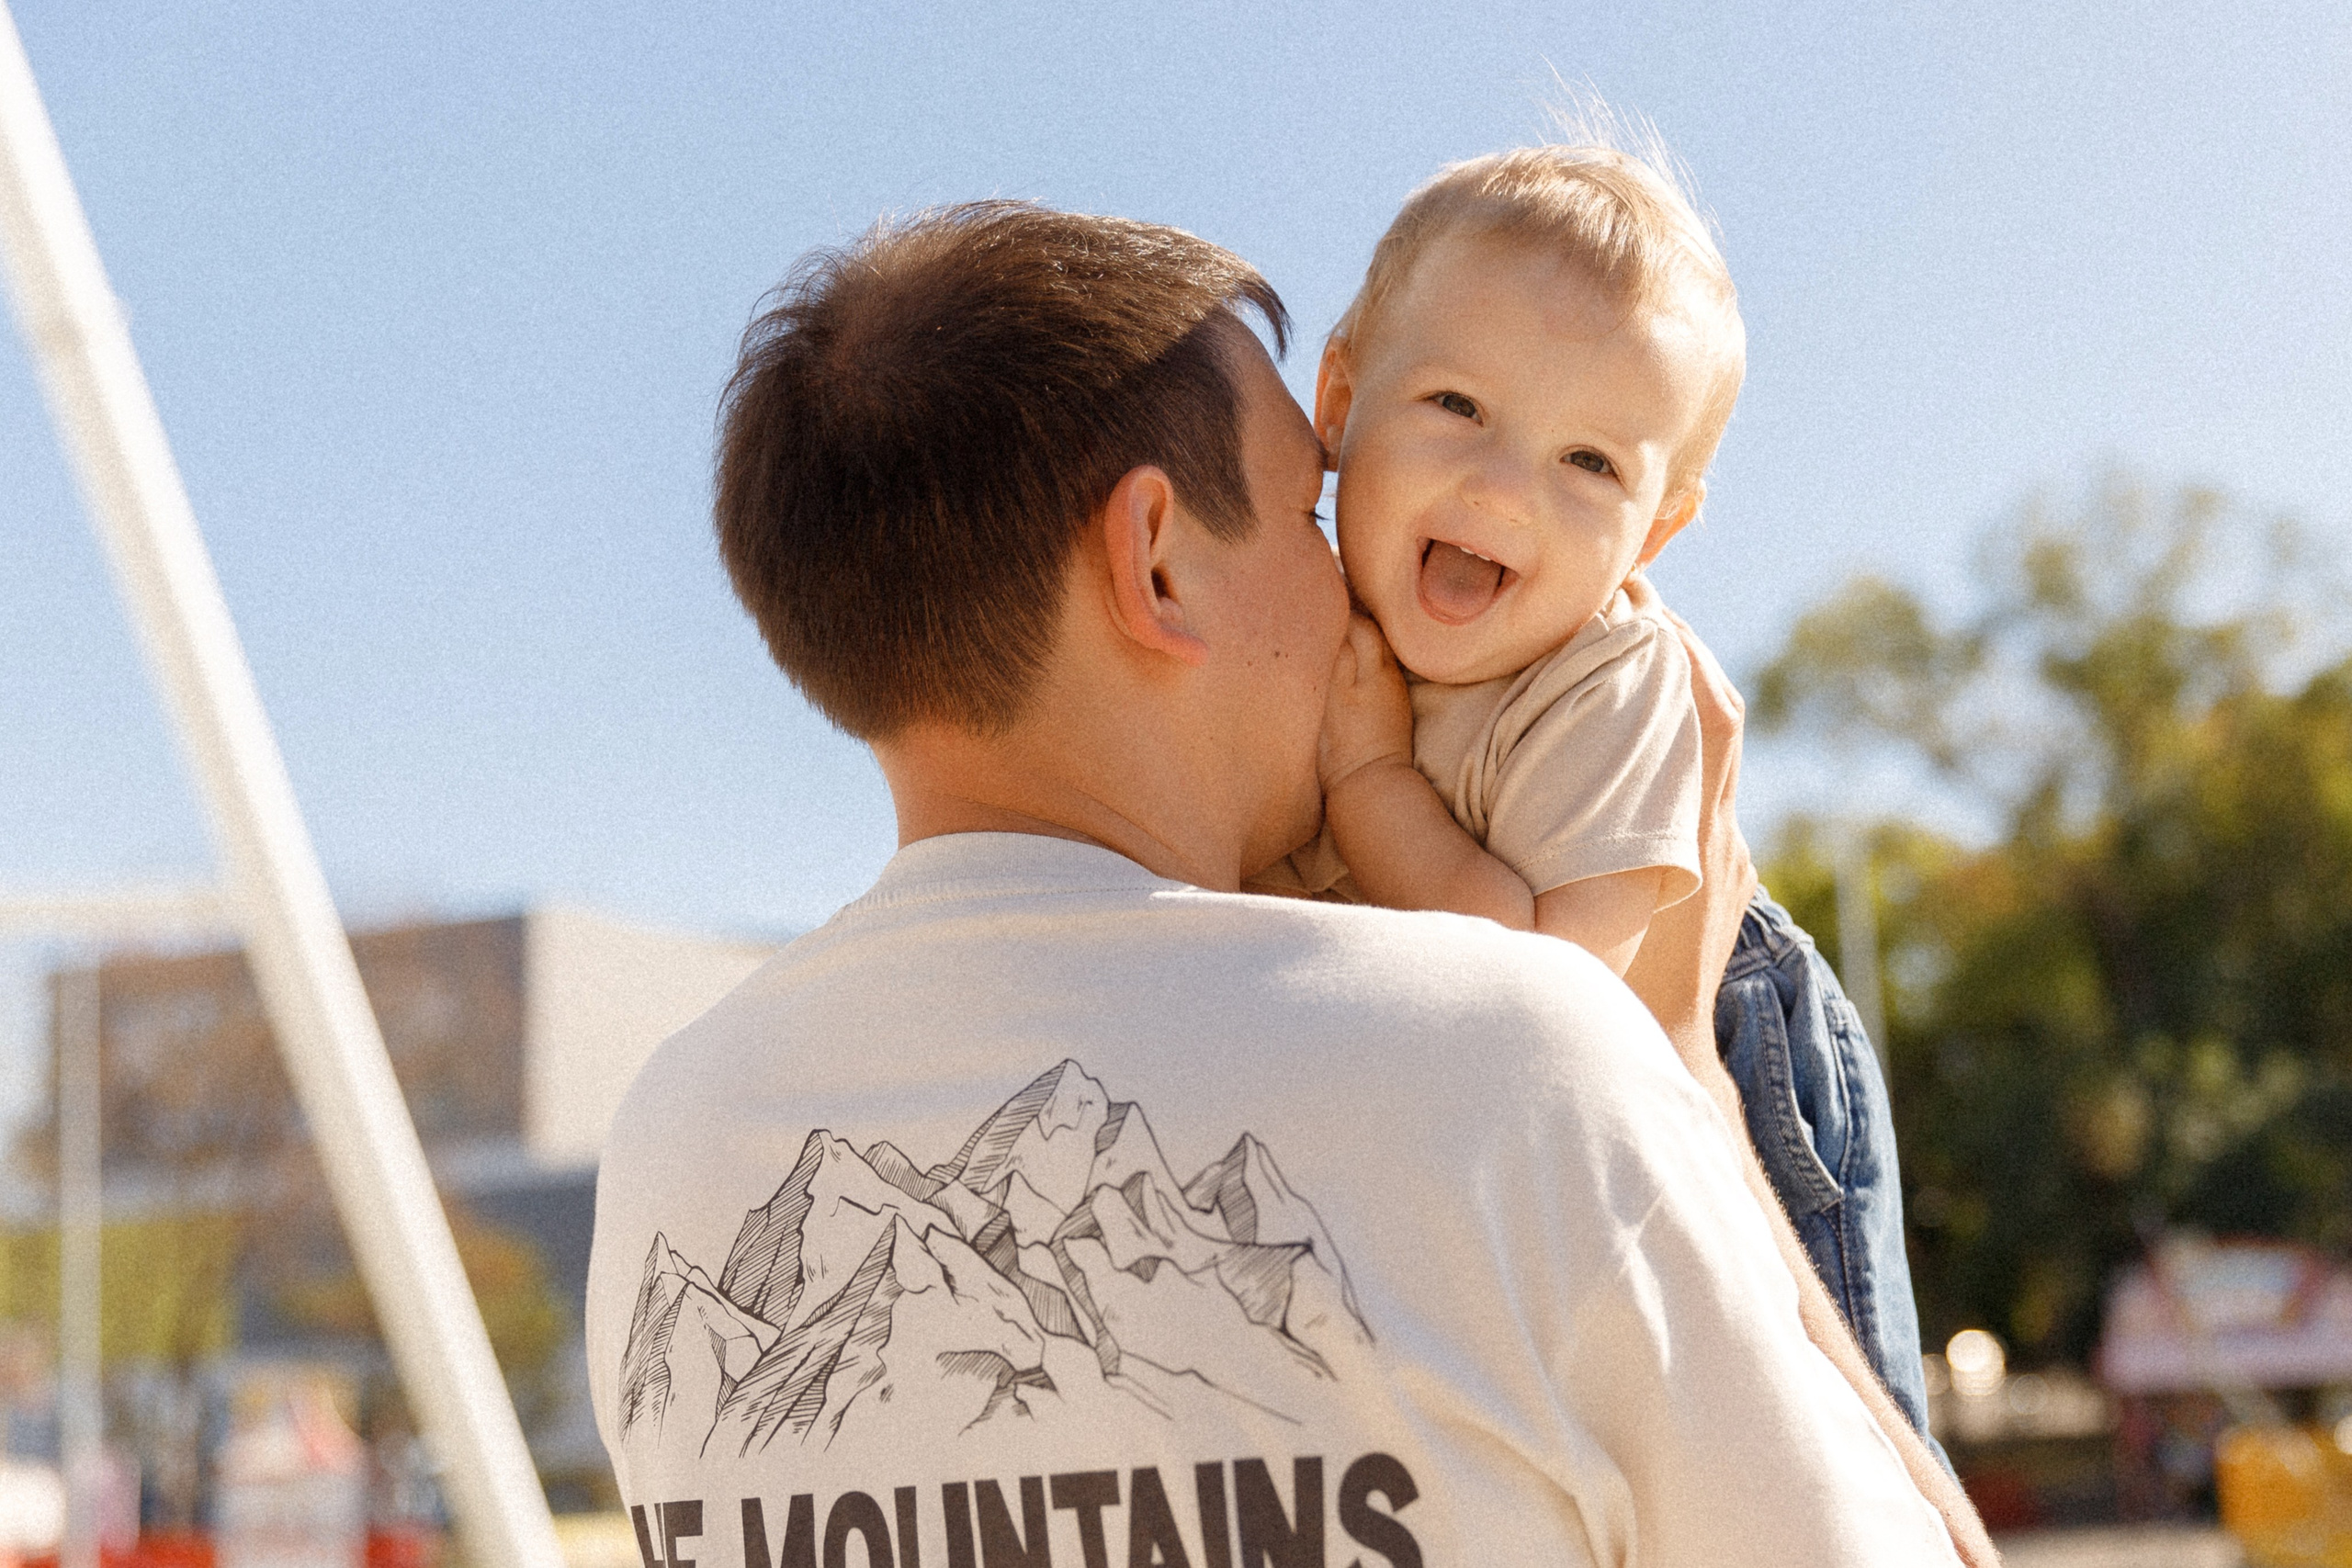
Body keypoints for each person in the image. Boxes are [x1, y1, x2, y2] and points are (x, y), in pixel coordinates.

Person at [586, 201, 1990, 1567]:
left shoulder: (674, 1139)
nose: (1347, 581)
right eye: (1308, 511)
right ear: (1156, 563)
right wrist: (1682, 1066)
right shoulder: (1513, 1060)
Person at [1253, 139, 1940, 1455]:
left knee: (1819, 1429)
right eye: (1456, 404)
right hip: (1485, 1117)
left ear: (1658, 528)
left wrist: (1371, 782)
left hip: (1712, 1040)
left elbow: (1550, 996)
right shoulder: (1297, 619)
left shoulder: (1614, 680)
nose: (1504, 486)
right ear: (1338, 398)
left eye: (1590, 463)